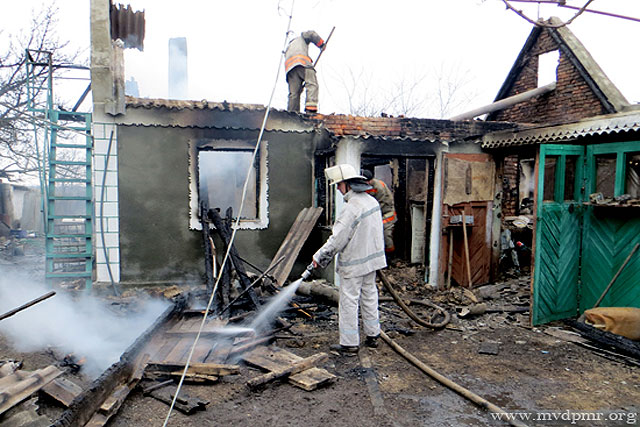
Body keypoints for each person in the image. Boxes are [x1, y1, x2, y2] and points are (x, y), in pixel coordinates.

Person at [312, 164, 387, 355]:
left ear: (348, 184)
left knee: (349, 301)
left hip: (355, 263)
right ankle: (373, 335)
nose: (337, 188)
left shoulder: (351, 208)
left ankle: (349, 343)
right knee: (370, 295)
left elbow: (338, 239)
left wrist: (319, 257)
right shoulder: (371, 201)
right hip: (372, 261)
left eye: (339, 185)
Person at [284, 30, 325, 113]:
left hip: (290, 70)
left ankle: (292, 112)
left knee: (294, 93)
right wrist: (321, 44)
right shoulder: (301, 37)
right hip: (303, 63)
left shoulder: (288, 48)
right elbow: (311, 34)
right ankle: (311, 107)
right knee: (312, 83)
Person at [362, 169, 397, 254]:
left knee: (386, 234)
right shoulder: (363, 186)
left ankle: (390, 255)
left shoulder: (379, 187)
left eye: (369, 181)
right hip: (376, 214)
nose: (367, 183)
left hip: (387, 213)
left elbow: (379, 205)